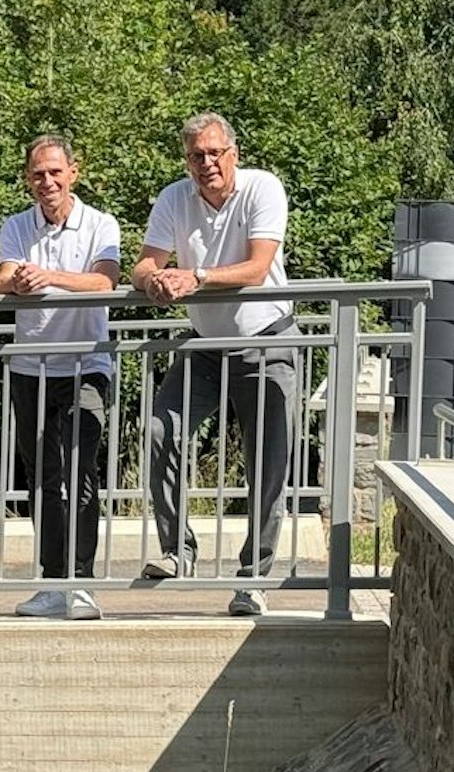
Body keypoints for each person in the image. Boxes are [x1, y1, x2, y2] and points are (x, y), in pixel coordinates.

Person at [134, 111, 297, 617]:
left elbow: (257, 265)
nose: (206, 164)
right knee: (161, 430)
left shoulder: (262, 189)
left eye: (214, 153)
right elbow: (144, 262)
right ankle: (176, 552)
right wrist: (154, 281)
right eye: (196, 156)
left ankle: (253, 579)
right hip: (204, 344)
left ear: (234, 155)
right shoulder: (173, 198)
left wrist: (195, 276)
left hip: (267, 341)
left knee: (270, 460)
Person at [0, 134, 120, 622]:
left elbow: (105, 280)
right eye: (37, 174)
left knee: (80, 470)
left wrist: (47, 277)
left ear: (74, 172)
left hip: (87, 364)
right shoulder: (17, 225)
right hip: (32, 367)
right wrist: (18, 280)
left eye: (54, 172)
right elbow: (2, 276)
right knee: (43, 477)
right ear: (28, 180)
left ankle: (82, 583)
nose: (46, 181)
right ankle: (51, 581)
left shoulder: (99, 223)